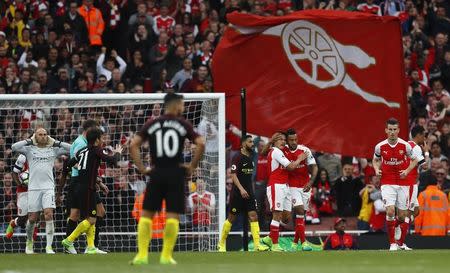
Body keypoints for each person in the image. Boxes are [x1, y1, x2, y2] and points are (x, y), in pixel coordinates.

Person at [129, 93, 205, 265]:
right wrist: (192, 166)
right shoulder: (182, 123)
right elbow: (201, 142)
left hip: (156, 173)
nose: (183, 108)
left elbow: (133, 144)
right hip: (176, 174)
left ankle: (141, 255)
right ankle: (166, 256)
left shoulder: (153, 123)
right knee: (172, 216)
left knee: (146, 215)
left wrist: (142, 168)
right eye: (182, 104)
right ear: (177, 105)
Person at [62, 128, 122, 254]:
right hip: (87, 189)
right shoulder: (96, 150)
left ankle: (90, 247)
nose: (103, 140)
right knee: (92, 219)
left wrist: (80, 168)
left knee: (92, 216)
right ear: (97, 140)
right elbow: (112, 161)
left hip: (80, 187)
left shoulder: (81, 151)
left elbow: (68, 163)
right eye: (102, 138)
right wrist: (117, 153)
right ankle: (69, 240)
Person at [11, 128, 71, 254]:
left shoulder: (53, 149)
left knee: (48, 214)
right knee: (32, 219)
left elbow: (72, 148)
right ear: (35, 136)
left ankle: (49, 247)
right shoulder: (29, 149)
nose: (43, 137)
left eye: (45, 135)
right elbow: (14, 147)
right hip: (33, 188)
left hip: (48, 187)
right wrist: (29, 140)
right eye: (40, 135)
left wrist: (56, 142)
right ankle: (29, 243)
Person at [372, 118, 418, 251]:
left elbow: (414, 160)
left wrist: (407, 170)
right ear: (386, 130)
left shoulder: (405, 145)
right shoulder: (380, 146)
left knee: (403, 217)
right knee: (390, 210)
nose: (392, 132)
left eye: (394, 130)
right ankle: (393, 243)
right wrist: (376, 169)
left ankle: (395, 225)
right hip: (387, 181)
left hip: (403, 182)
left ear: (398, 130)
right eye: (390, 130)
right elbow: (375, 160)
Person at [217, 135, 268, 252]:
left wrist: (249, 190)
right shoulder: (237, 157)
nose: (252, 144)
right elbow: (233, 175)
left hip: (249, 193)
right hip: (237, 194)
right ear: (243, 144)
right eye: (250, 142)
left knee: (253, 217)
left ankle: (257, 245)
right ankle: (221, 243)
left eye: (252, 142)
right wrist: (241, 189)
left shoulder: (251, 157)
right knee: (231, 219)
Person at [260, 132, 305, 252]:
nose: (283, 141)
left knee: (286, 218)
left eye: (284, 139)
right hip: (276, 185)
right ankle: (275, 245)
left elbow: (263, 153)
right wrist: (300, 159)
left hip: (285, 186)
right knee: (277, 214)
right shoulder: (275, 151)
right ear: (274, 141)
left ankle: (269, 238)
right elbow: (290, 167)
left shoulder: (283, 150)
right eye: (280, 139)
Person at [284, 128, 318, 251]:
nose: (294, 142)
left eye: (295, 139)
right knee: (299, 210)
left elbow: (314, 167)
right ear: (287, 140)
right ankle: (304, 243)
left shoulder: (305, 150)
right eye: (291, 140)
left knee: (301, 214)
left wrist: (310, 182)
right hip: (291, 186)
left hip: (305, 186)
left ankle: (294, 242)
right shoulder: (283, 151)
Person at [396, 125, 427, 250]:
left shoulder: (405, 145)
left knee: (416, 211)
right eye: (423, 135)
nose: (424, 137)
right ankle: (400, 243)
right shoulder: (417, 148)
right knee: (409, 213)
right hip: (409, 183)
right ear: (418, 135)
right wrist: (427, 151)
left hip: (407, 183)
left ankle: (398, 224)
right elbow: (424, 166)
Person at [5, 155, 33, 239]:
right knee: (22, 220)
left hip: (36, 190)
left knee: (34, 216)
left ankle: (30, 242)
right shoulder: (22, 157)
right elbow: (14, 173)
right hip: (23, 191)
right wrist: (20, 184)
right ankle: (13, 223)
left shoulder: (39, 156)